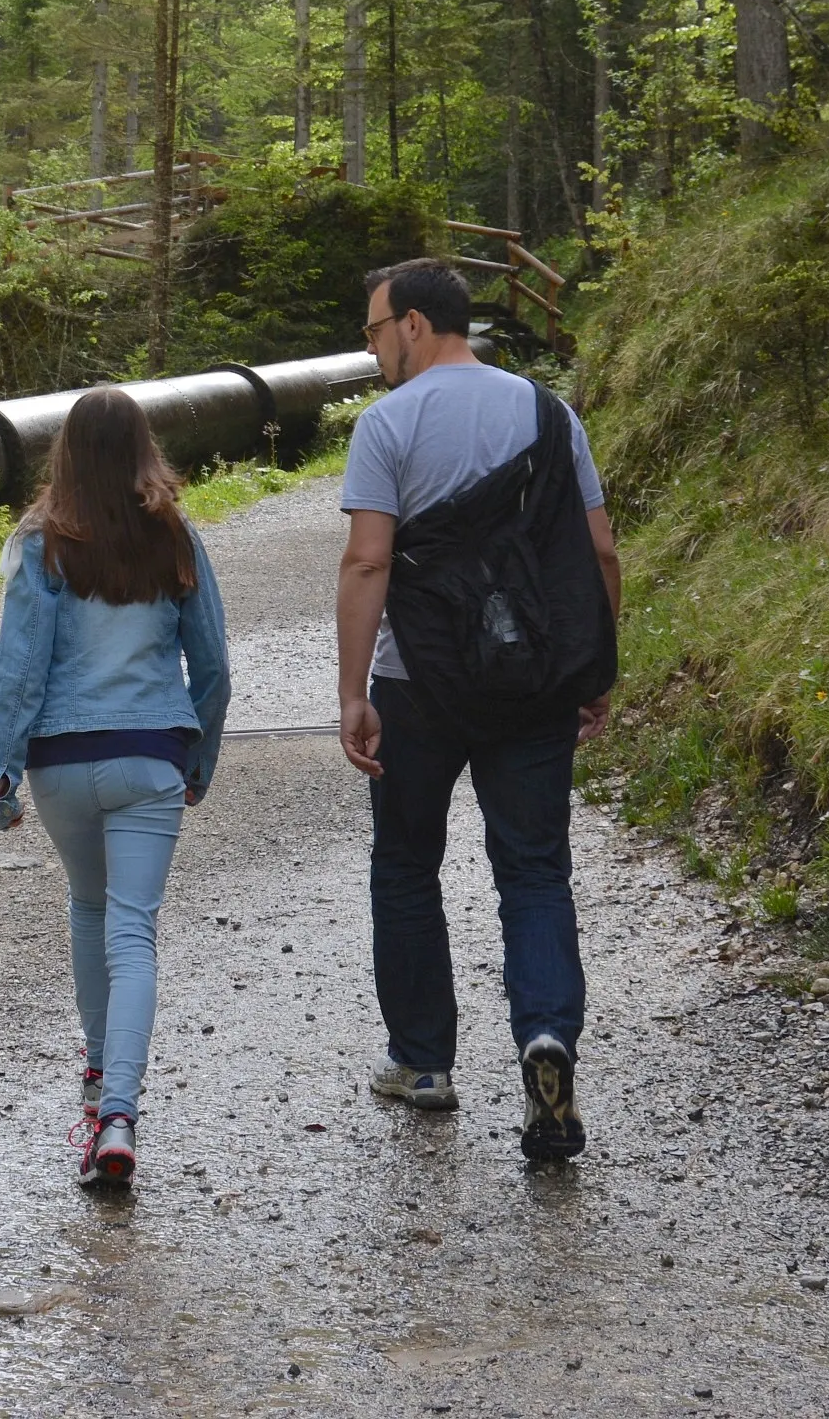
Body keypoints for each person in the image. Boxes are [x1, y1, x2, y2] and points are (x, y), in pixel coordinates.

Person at [335, 257, 621, 1161]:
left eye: (377, 329)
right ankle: (546, 1038)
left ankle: (423, 1064)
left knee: (407, 865)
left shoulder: (387, 424)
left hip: (417, 683)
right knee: (533, 872)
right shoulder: (549, 412)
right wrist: (594, 668)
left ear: (415, 324)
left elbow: (369, 563)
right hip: (533, 677)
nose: (375, 348)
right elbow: (601, 551)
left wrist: (352, 692)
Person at [0, 387, 231, 1189]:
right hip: (149, 756)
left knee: (88, 909)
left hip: (60, 764)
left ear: (65, 453)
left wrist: (1, 765)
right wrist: (199, 756)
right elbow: (215, 667)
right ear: (142, 449)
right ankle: (118, 1116)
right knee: (134, 933)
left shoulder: (42, 544)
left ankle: (95, 1085)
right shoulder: (176, 537)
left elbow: (21, 667)